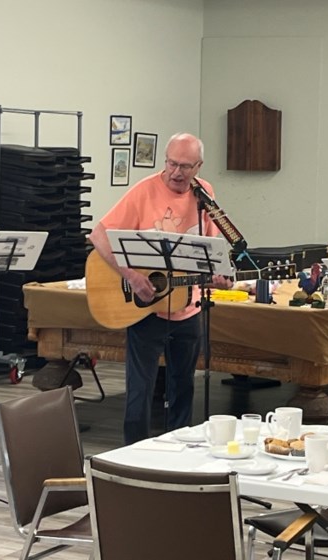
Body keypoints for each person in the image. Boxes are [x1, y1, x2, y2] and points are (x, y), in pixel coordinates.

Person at [88, 133, 231, 445]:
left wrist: (218, 276)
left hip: (188, 308)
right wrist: (132, 277)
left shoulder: (204, 194)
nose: (177, 173)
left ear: (199, 166)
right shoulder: (143, 191)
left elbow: (209, 253)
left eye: (185, 166)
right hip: (145, 310)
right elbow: (98, 235)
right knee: (140, 388)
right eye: (171, 164)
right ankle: (132, 453)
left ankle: (178, 453)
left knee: (183, 386)